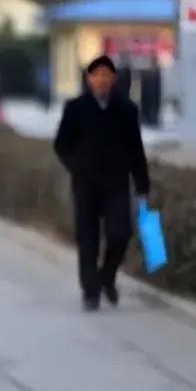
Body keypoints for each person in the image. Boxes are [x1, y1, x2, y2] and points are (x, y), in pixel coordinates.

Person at [53, 55, 150, 312]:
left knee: (120, 233)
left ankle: (107, 275)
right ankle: (91, 291)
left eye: (107, 75)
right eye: (97, 75)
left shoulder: (126, 110)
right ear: (89, 79)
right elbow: (61, 144)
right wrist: (75, 165)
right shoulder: (76, 108)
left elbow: (136, 149)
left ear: (114, 79)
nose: (102, 80)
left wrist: (142, 187)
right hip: (85, 183)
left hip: (116, 182)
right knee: (88, 239)